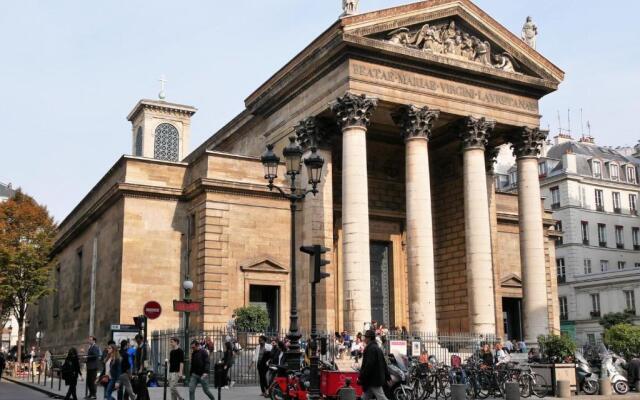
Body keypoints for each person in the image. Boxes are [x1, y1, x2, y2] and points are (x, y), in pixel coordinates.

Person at [358, 330, 389, 400]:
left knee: (381, 397)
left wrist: (361, 376)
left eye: (365, 337)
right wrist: (387, 375)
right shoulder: (376, 348)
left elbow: (369, 365)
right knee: (365, 397)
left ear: (369, 338)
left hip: (373, 379)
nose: (364, 339)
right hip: (374, 379)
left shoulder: (371, 349)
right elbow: (384, 363)